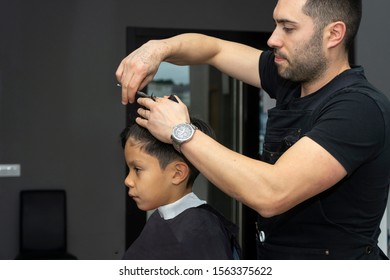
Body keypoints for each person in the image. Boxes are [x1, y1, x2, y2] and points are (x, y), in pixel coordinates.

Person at [116, 0, 390, 259]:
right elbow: (214, 50)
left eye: (288, 28)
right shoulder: (290, 81)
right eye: (276, 24)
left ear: (334, 34)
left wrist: (180, 131)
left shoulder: (358, 108)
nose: (272, 39)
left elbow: (271, 193)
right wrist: (157, 48)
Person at [120, 94, 241, 260]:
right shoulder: (163, 217)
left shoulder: (201, 230)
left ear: (177, 174)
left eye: (137, 169)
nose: (128, 180)